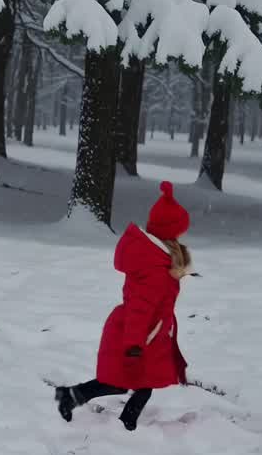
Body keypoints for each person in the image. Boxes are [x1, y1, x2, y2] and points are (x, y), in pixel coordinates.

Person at [55, 181, 192, 431]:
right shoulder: (156, 269)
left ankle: (74, 397)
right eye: (178, 233)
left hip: (145, 333)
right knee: (132, 384)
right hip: (137, 334)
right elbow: (141, 307)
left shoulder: (157, 260)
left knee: (127, 383)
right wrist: (133, 346)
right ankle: (124, 425)